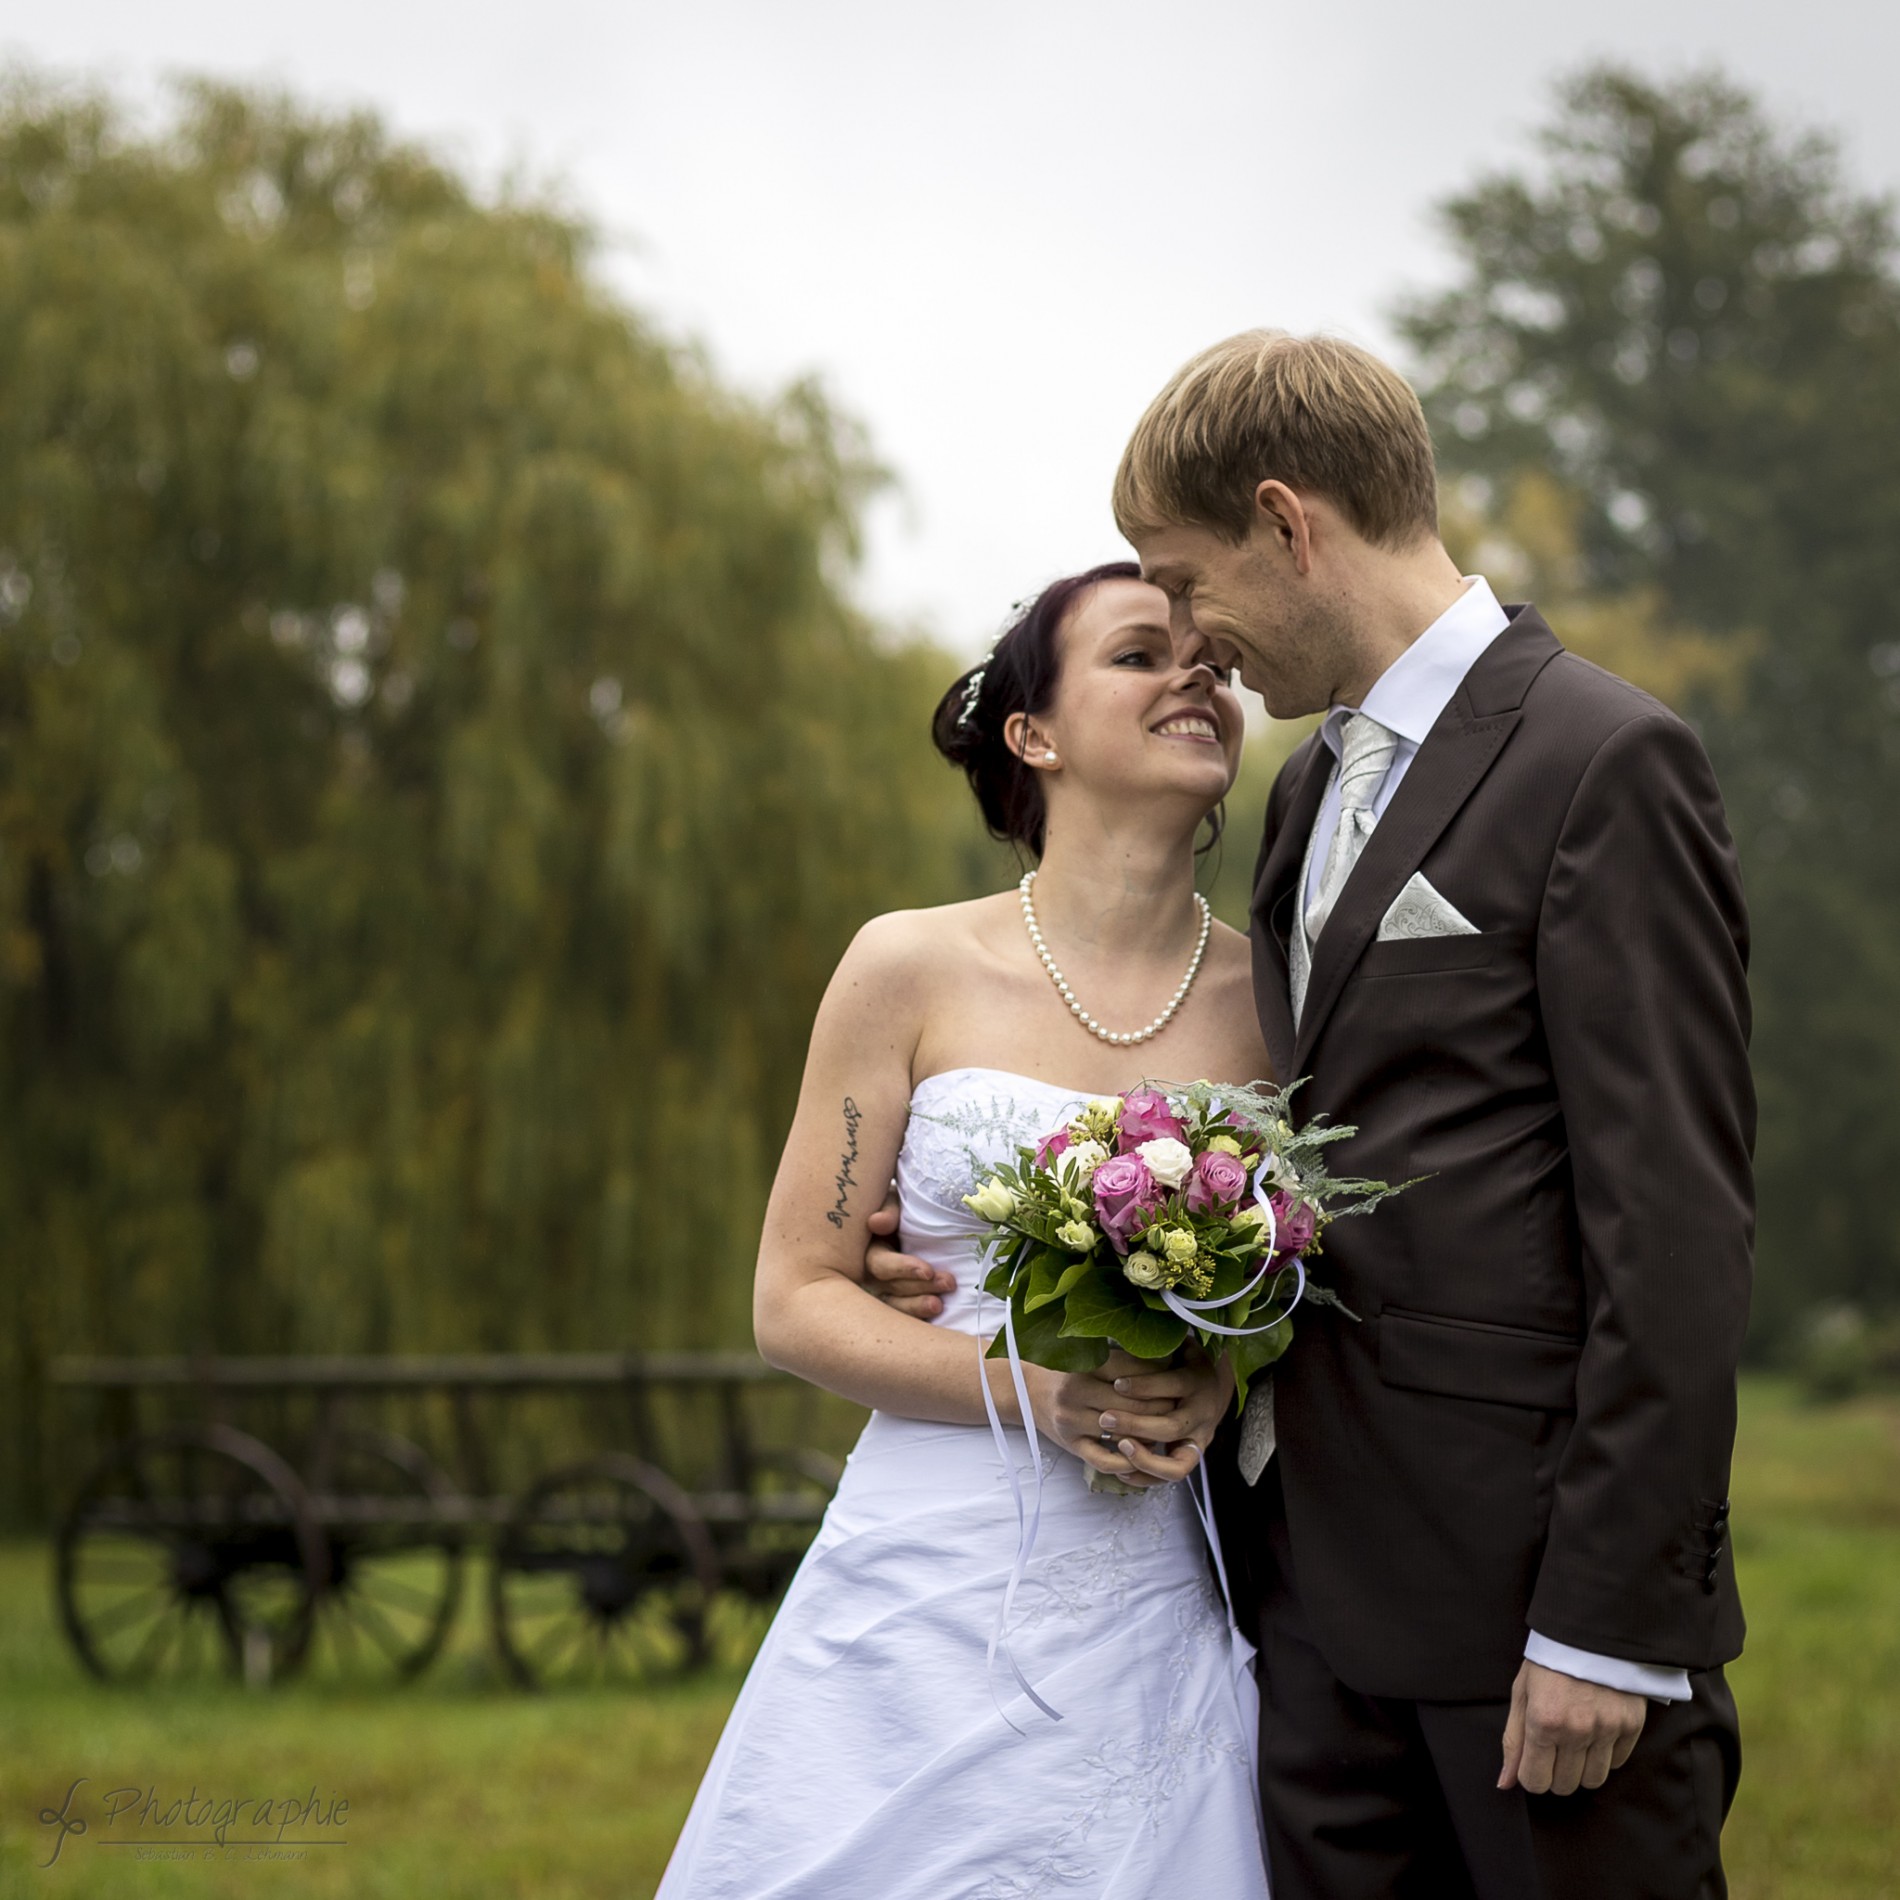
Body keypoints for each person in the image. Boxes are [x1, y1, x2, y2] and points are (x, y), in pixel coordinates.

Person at [875, 332, 1752, 1899]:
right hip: (1301, 1611)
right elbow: (1295, 1147)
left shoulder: (1601, 760)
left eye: (1188, 584)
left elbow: (1673, 1231)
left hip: (1527, 1623)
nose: (1194, 640)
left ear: (1290, 525)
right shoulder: (1302, 796)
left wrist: (1608, 1624)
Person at [656, 563, 1275, 1899]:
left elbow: (1310, 1271)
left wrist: (1222, 1371)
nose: (1197, 675)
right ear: (1033, 736)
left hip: (1168, 1573)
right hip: (924, 1574)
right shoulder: (908, 968)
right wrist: (1035, 1393)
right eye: (1139, 654)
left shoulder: (1278, 996)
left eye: (1210, 660)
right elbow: (795, 1299)